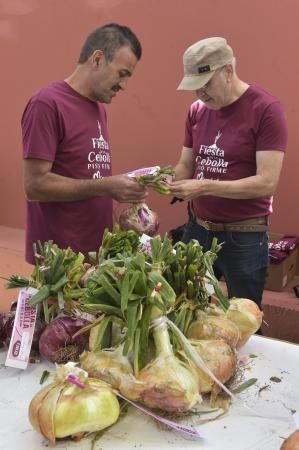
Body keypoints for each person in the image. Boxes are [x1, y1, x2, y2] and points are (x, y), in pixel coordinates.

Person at [166, 37, 288, 306]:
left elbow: (266, 183)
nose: (200, 94)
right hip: (197, 230)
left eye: (206, 84)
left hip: (243, 236)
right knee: (181, 307)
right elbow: (186, 164)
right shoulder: (197, 111)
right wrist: (167, 179)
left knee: (243, 317)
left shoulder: (266, 110)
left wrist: (204, 186)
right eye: (194, 88)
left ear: (229, 71)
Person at [22, 23, 147, 264]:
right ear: (98, 59)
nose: (124, 86)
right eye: (122, 74)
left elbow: (90, 175)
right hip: (59, 265)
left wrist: (117, 223)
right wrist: (106, 186)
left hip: (96, 256)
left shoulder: (98, 108)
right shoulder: (46, 104)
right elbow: (34, 185)